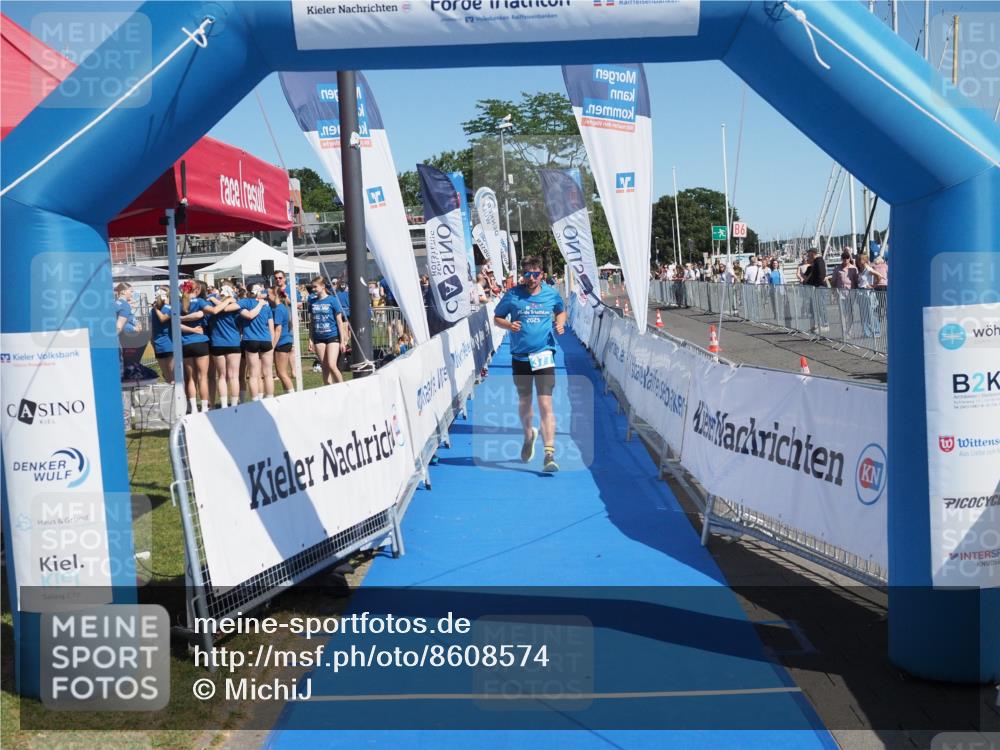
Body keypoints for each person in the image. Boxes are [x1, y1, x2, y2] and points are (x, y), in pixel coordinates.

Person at [493, 256, 567, 473]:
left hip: (543, 354)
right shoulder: (513, 295)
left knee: (545, 404)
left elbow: (560, 311)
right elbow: (497, 317)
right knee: (525, 402)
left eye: (535, 274)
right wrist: (509, 324)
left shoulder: (551, 294)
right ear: (523, 276)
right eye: (527, 274)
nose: (531, 278)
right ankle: (528, 435)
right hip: (520, 357)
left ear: (541, 275)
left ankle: (549, 453)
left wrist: (560, 324)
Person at [204, 284, 243, 408]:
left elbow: (208, 323)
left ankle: (224, 405)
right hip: (233, 343)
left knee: (221, 376)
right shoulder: (235, 309)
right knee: (234, 376)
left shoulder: (212, 308)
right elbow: (240, 325)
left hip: (217, 343)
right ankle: (235, 404)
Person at [179, 280, 211, 413]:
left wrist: (181, 318)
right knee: (202, 377)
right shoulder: (200, 302)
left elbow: (176, 323)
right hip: (200, 342)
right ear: (197, 290)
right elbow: (203, 313)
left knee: (190, 378)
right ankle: (204, 407)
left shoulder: (179, 304)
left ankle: (192, 408)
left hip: (185, 343)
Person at [240, 284, 275, 400]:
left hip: (251, 340)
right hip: (266, 340)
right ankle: (270, 398)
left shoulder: (246, 303)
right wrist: (272, 343)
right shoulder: (267, 306)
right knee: (268, 374)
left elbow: (248, 316)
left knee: (253, 375)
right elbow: (271, 327)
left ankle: (255, 401)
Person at [308, 276, 345, 385]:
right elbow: (311, 322)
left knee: (332, 365)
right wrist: (310, 339)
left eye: (315, 286)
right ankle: (328, 389)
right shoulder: (312, 302)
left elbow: (339, 321)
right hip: (318, 338)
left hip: (332, 336)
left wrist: (342, 341)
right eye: (312, 287)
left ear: (323, 286)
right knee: (324, 367)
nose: (313, 289)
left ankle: (342, 387)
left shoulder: (332, 300)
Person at [271, 286, 295, 393]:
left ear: (275, 295)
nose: (267, 296)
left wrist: (272, 346)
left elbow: (278, 330)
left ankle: (292, 395)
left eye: (268, 294)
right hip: (285, 341)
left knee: (282, 373)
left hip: (282, 342)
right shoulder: (283, 307)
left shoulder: (279, 309)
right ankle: (288, 395)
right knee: (281, 373)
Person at [801, 248, 829, 333]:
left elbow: (821, 275)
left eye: (809, 255)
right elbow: (806, 276)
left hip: (819, 287)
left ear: (813, 253)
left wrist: (815, 283)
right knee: (815, 307)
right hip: (815, 287)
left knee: (821, 306)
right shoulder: (813, 264)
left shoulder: (819, 261)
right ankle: (817, 324)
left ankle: (825, 324)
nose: (808, 257)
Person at [856, 253, 883, 338]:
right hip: (861, 291)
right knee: (863, 313)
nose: (858, 261)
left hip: (867, 292)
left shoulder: (868, 269)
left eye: (859, 260)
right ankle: (867, 332)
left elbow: (879, 276)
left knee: (870, 312)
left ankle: (876, 331)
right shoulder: (861, 270)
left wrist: (874, 285)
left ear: (864, 260)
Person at [149, 287, 173, 383]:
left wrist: (153, 344)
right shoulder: (169, 308)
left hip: (158, 344)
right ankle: (178, 397)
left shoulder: (152, 311)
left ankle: (172, 396)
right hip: (169, 343)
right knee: (174, 375)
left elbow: (151, 330)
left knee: (166, 375)